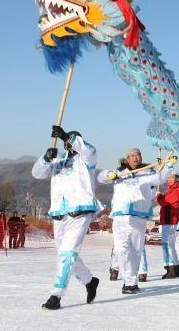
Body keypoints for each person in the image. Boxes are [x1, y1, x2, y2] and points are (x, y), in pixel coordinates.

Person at [31, 125, 101, 310]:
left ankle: (56, 294)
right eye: (67, 141)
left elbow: (89, 149)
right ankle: (89, 281)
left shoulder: (86, 159)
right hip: (59, 213)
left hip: (80, 212)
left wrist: (65, 136)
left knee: (68, 253)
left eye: (72, 140)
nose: (69, 144)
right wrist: (46, 159)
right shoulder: (59, 160)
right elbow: (37, 173)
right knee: (65, 254)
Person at [98, 147, 171, 294]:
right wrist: (109, 175)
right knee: (121, 249)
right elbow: (101, 177)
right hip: (120, 216)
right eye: (132, 155)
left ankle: (131, 282)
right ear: (127, 159)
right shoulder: (119, 172)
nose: (135, 157)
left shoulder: (147, 173)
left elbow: (160, 178)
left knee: (136, 251)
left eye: (138, 155)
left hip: (139, 216)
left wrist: (169, 166)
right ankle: (127, 280)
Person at [156, 170, 179, 279]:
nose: (169, 180)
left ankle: (171, 269)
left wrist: (159, 196)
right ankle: (176, 268)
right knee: (171, 245)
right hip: (168, 219)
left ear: (177, 179)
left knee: (166, 244)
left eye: (172, 177)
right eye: (168, 178)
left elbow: (164, 202)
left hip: (169, 219)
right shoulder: (173, 189)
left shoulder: (176, 189)